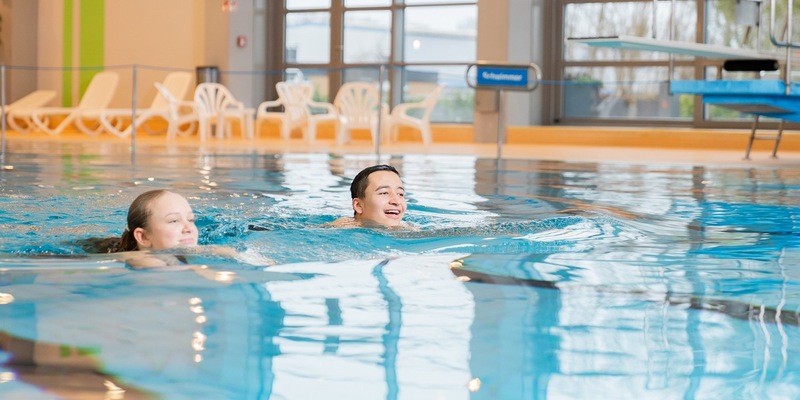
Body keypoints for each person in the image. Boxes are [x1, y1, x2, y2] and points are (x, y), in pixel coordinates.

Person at [328, 164, 414, 229]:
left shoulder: (408, 229)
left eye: (400, 194)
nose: (396, 201)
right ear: (358, 205)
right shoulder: (340, 229)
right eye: (384, 193)